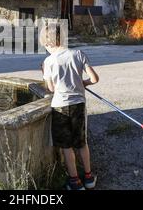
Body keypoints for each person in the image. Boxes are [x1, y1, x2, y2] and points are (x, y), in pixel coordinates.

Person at [40, 23, 99, 190]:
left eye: (45, 45)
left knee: (66, 146)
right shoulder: (78, 53)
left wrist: (44, 75)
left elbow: (51, 89)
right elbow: (94, 79)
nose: (46, 48)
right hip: (78, 105)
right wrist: (83, 82)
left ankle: (75, 182)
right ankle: (88, 178)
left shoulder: (48, 61)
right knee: (81, 142)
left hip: (60, 107)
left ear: (49, 43)